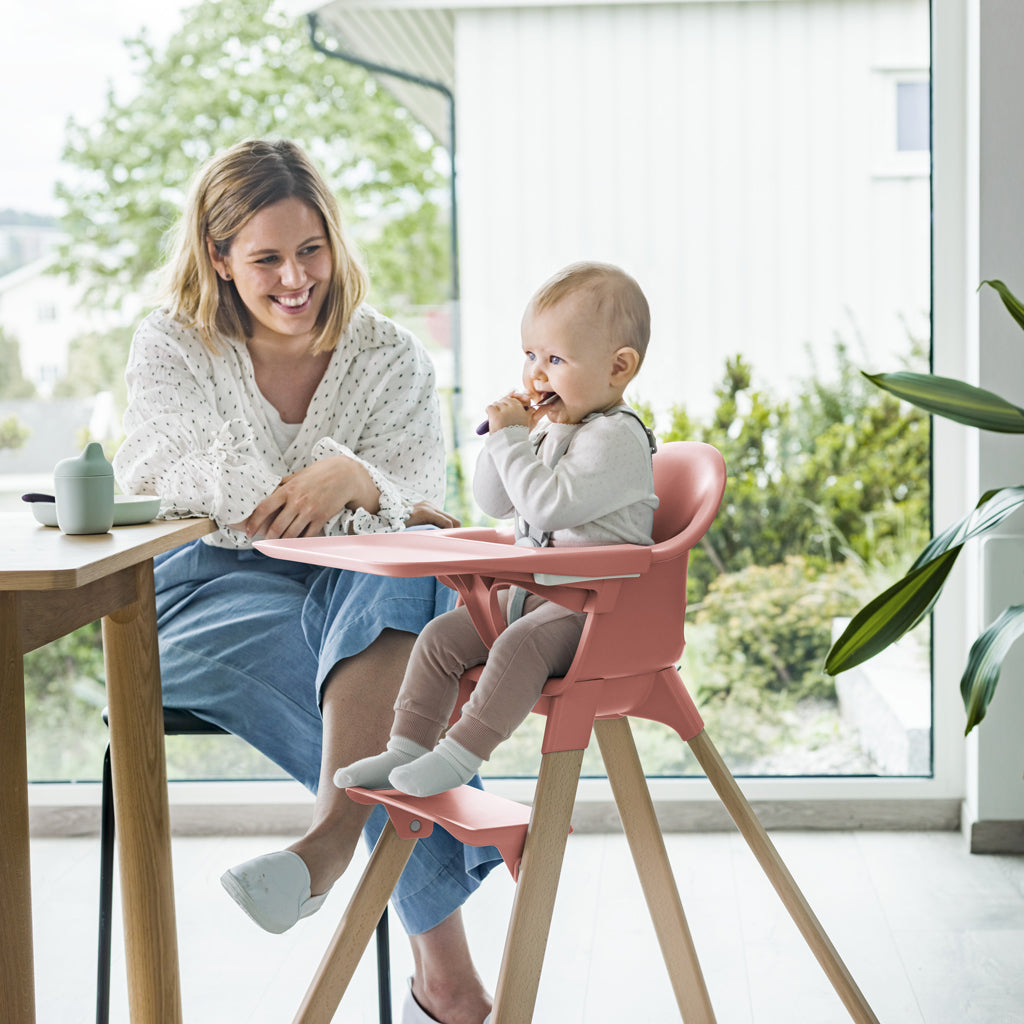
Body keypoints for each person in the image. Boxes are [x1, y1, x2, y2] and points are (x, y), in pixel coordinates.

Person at [113, 138, 498, 1024]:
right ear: (218, 258)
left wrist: (367, 486)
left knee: (402, 575)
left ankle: (325, 848)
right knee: (393, 687)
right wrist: (334, 475)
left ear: (335, 240)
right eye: (266, 259)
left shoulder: (391, 356)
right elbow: (160, 463)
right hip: (210, 588)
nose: (296, 278)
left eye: (311, 250)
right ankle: (447, 978)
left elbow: (417, 504)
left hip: (356, 584)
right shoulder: (173, 345)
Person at [335, 261, 658, 798]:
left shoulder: (615, 438)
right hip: (544, 593)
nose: (536, 372)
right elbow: (497, 502)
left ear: (618, 368)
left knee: (519, 645)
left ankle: (460, 756)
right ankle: (406, 748)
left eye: (556, 359)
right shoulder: (556, 429)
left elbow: (549, 507)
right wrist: (506, 441)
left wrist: (512, 442)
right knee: (441, 637)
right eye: (531, 355)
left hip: (602, 607)